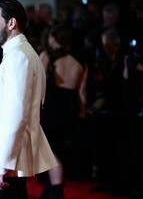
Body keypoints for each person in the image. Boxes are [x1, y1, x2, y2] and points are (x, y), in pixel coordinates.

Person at [0, 0, 57, 199]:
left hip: (4, 163)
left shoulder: (19, 57)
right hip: (6, 161)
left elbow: (16, 113)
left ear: (11, 23)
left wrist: (2, 162)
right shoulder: (18, 54)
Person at [39, 24, 88, 199]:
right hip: (71, 110)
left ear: (54, 37)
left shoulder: (46, 56)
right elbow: (82, 93)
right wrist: (81, 115)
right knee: (57, 151)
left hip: (51, 110)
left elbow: (39, 87)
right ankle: (49, 191)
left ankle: (56, 192)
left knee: (50, 154)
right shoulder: (80, 61)